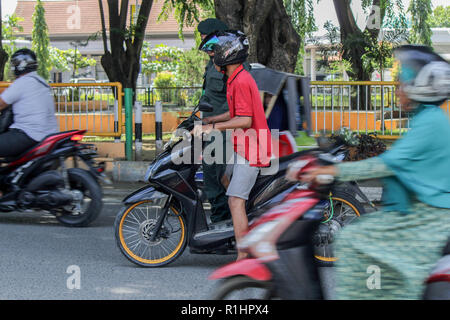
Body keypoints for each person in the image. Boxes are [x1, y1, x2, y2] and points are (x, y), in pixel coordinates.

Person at [300, 45, 450, 299]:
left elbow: (384, 164)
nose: (397, 90)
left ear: (417, 88)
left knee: (351, 239)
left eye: (401, 84)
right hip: (415, 211)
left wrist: (333, 171)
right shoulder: (426, 118)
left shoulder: (430, 121)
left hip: (426, 219)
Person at [194, 31, 272, 260]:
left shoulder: (240, 80)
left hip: (253, 149)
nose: (212, 57)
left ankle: (243, 255)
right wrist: (211, 119)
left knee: (235, 200)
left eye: (215, 53)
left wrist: (211, 129)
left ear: (226, 55)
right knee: (225, 178)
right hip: (243, 146)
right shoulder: (236, 78)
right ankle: (242, 226)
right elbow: (235, 112)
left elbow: (245, 120)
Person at [197, 18, 232, 224]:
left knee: (221, 178)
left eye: (207, 39)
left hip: (226, 132)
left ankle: (227, 223)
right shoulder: (213, 63)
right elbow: (208, 96)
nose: (205, 45)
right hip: (210, 131)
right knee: (210, 178)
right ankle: (221, 221)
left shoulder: (232, 64)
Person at [0, 48, 59, 158]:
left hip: (28, 134)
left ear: (19, 66)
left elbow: (1, 103)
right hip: (49, 135)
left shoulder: (23, 82)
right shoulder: (42, 82)